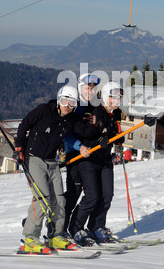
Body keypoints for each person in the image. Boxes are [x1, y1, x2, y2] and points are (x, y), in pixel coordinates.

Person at [14, 85, 79, 254]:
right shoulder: (44, 110)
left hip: (52, 161)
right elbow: (25, 124)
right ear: (58, 100)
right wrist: (19, 147)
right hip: (33, 158)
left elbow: (84, 131)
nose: (67, 106)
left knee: (59, 200)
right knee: (42, 198)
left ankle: (55, 236)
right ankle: (30, 239)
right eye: (65, 101)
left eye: (72, 103)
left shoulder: (70, 120)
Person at [72, 81, 125, 246]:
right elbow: (87, 133)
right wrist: (98, 137)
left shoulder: (115, 114)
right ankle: (76, 228)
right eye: (114, 96)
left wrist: (118, 137)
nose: (117, 100)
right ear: (106, 97)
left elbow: (115, 133)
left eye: (119, 97)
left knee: (107, 196)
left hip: (105, 160)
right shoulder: (96, 112)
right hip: (89, 160)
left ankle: (96, 227)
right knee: (92, 197)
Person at [63, 73, 101, 235]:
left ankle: (75, 227)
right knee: (73, 194)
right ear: (80, 88)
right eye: (87, 88)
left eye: (93, 88)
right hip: (74, 154)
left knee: (91, 194)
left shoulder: (92, 106)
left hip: (88, 155)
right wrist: (79, 146)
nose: (90, 91)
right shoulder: (75, 105)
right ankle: (58, 229)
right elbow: (65, 132)